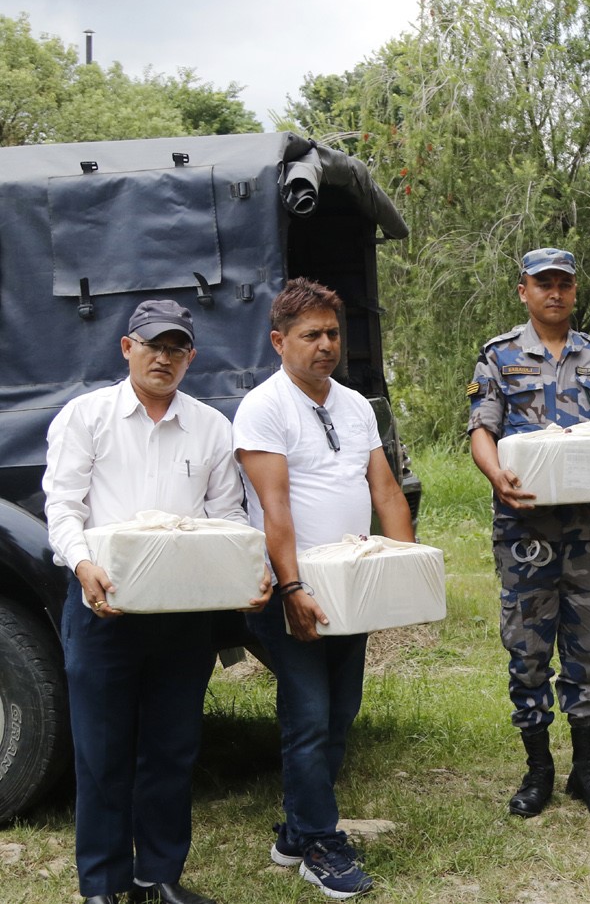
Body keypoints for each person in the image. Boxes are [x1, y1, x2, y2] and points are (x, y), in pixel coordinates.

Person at [43, 300, 270, 904]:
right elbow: (63, 506)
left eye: (176, 348)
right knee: (101, 751)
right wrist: (85, 565)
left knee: (172, 748)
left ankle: (159, 876)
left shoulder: (210, 427)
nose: (163, 358)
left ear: (190, 356)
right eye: (152, 346)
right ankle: (103, 884)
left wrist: (249, 570)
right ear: (127, 348)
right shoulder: (86, 417)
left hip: (182, 616)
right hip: (102, 607)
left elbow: (226, 516)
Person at [236, 278, 415, 899]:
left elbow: (386, 492)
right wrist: (290, 588)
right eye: (311, 335)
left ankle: (294, 832)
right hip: (294, 592)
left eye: (333, 332)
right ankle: (318, 841)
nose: (326, 345)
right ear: (279, 341)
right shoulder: (264, 407)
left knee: (341, 712)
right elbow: (274, 507)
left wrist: (404, 573)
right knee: (309, 716)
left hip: (352, 584)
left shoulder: (356, 404)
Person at [468, 247, 590, 820]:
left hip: (585, 530)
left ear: (575, 291)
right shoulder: (499, 356)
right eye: (543, 283)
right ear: (523, 290)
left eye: (564, 284)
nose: (555, 292)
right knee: (526, 648)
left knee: (585, 646)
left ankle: (586, 771)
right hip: (526, 526)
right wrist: (496, 474)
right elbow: (482, 429)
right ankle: (538, 770)